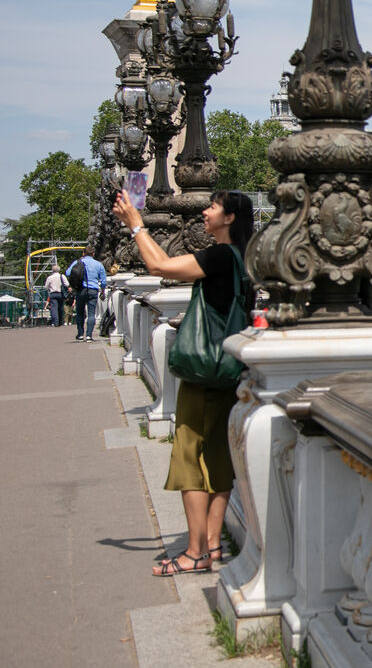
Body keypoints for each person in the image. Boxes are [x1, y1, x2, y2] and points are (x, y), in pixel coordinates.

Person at [112, 189, 255, 577]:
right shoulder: (243, 258)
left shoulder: (221, 256)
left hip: (203, 372)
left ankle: (193, 552)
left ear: (229, 218)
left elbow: (160, 266)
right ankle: (212, 545)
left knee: (188, 458)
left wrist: (136, 225)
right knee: (218, 458)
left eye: (212, 207)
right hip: (228, 369)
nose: (204, 212)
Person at [66, 248, 107, 342]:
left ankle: (80, 334)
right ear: (93, 254)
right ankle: (89, 336)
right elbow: (103, 281)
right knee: (91, 313)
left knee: (80, 313)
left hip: (80, 290)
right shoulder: (98, 264)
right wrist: (103, 291)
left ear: (83, 253)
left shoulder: (78, 262)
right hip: (93, 290)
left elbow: (68, 273)